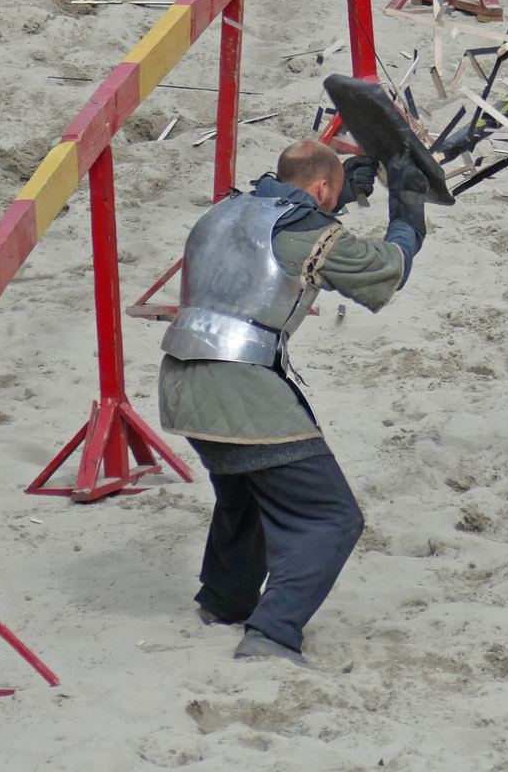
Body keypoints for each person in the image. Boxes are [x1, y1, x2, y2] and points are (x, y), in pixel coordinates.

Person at [157, 140, 430, 666]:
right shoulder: (304, 231)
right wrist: (407, 217)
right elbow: (383, 272)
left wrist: (338, 199)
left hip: (180, 380)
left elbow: (280, 229)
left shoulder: (226, 209)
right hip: (237, 384)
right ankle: (273, 632)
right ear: (322, 188)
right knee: (331, 516)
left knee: (249, 492)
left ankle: (223, 601)